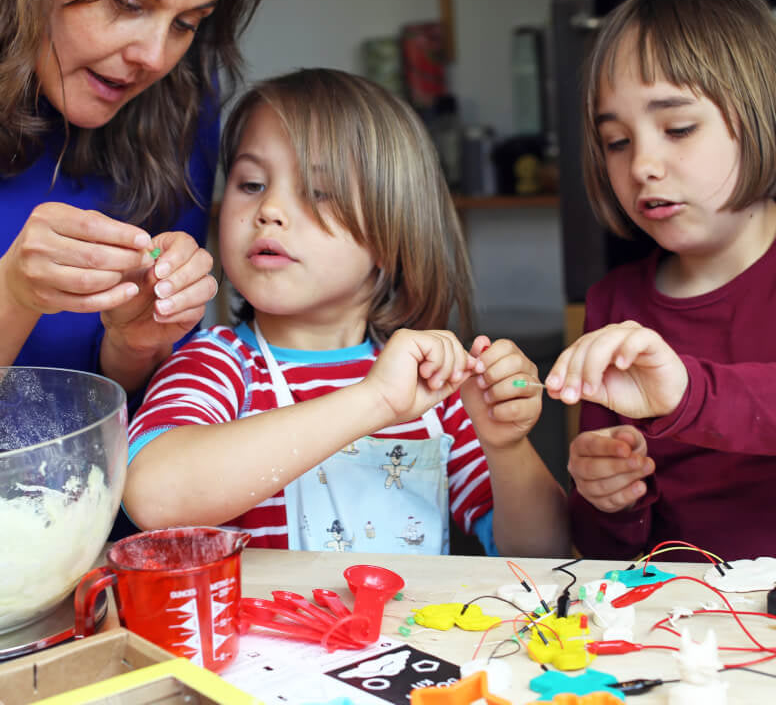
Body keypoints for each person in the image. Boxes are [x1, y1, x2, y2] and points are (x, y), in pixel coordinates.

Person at [124, 68, 569, 557]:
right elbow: (152, 495)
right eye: (251, 183)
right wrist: (375, 401)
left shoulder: (436, 389)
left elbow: (544, 556)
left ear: (389, 235)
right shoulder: (218, 365)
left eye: (318, 192)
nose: (269, 208)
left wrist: (506, 446)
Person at [545, 0, 776, 563]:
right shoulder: (613, 304)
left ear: (762, 117)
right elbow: (605, 551)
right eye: (615, 141)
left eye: (678, 129)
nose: (642, 165)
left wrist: (690, 393)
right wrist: (608, 497)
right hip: (678, 632)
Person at [0, 0, 269, 398]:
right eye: (128, 3)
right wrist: (12, 296)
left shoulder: (183, 103)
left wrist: (134, 346)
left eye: (186, 23)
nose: (154, 56)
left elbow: (137, 412)